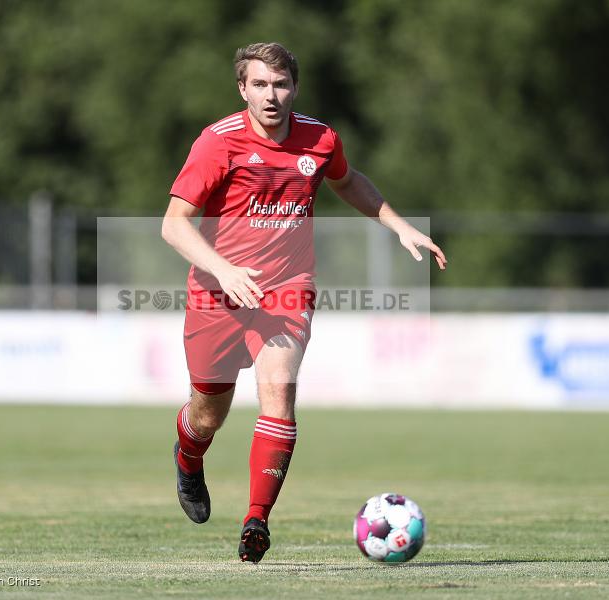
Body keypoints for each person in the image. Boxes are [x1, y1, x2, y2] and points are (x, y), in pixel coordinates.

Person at [162, 42, 446, 563]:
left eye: (281, 84)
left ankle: (256, 521)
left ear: (295, 86)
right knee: (207, 413)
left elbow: (348, 181)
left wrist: (399, 226)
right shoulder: (217, 143)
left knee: (278, 395)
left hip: (287, 289)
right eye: (260, 85)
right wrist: (223, 269)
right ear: (242, 88)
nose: (272, 96)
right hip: (217, 293)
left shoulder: (320, 139)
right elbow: (173, 224)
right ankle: (187, 456)